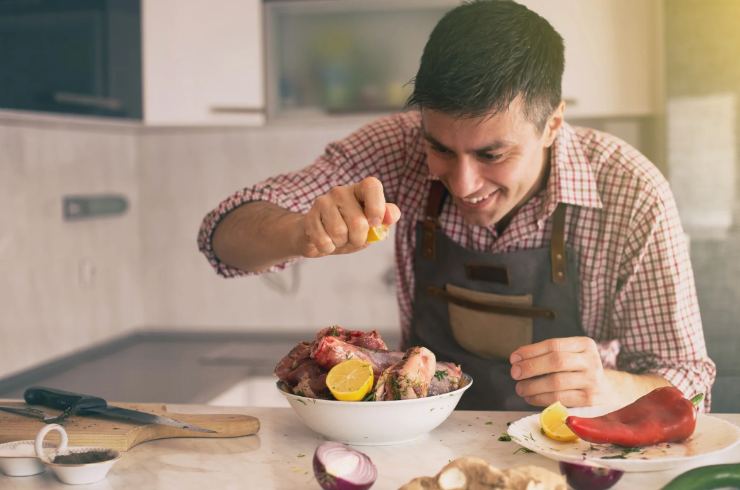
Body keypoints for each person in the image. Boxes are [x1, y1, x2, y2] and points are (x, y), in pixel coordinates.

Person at [198, 0, 715, 410]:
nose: (464, 183)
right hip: (422, 444)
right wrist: (301, 233)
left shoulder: (631, 193)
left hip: (573, 450)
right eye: (441, 148)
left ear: (553, 124)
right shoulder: (397, 146)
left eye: (493, 154)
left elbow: (691, 382)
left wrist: (609, 387)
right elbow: (221, 236)